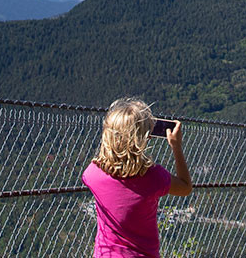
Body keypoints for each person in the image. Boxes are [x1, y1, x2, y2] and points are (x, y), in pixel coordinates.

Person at [81, 97, 193, 258]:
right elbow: (185, 187)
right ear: (145, 138)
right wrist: (176, 147)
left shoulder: (93, 174)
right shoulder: (154, 177)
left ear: (107, 134)